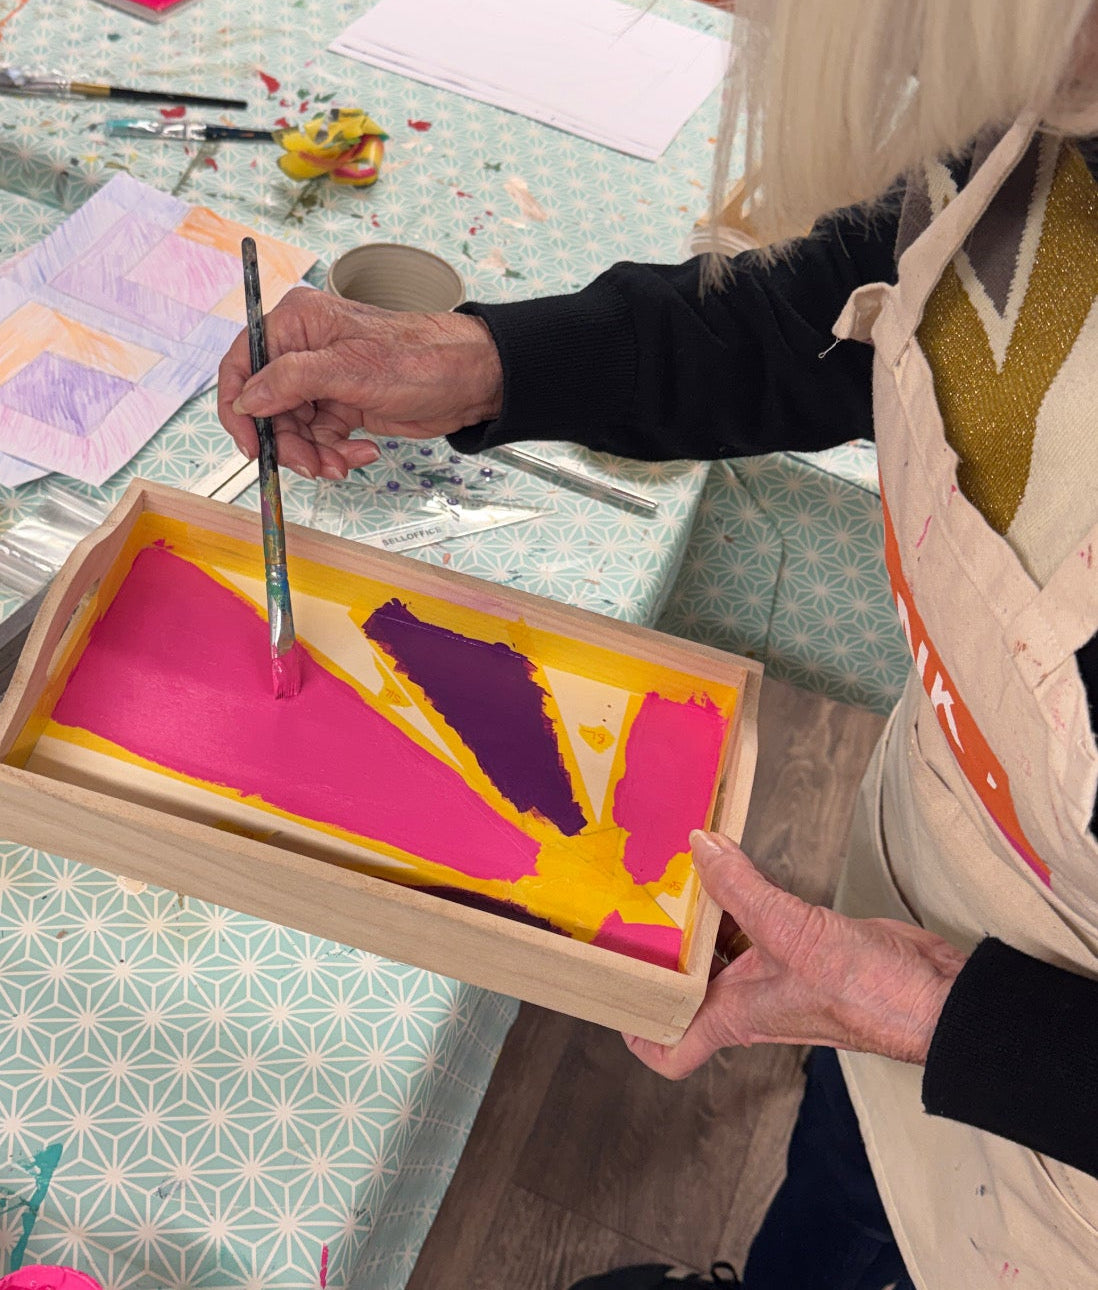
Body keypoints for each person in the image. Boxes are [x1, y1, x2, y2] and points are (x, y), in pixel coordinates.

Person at [217, 2, 1098, 1286]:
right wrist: (484, 361)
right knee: (836, 1207)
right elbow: (853, 309)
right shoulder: (1056, 111)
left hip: (1053, 1172)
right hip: (924, 913)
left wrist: (958, 1020)